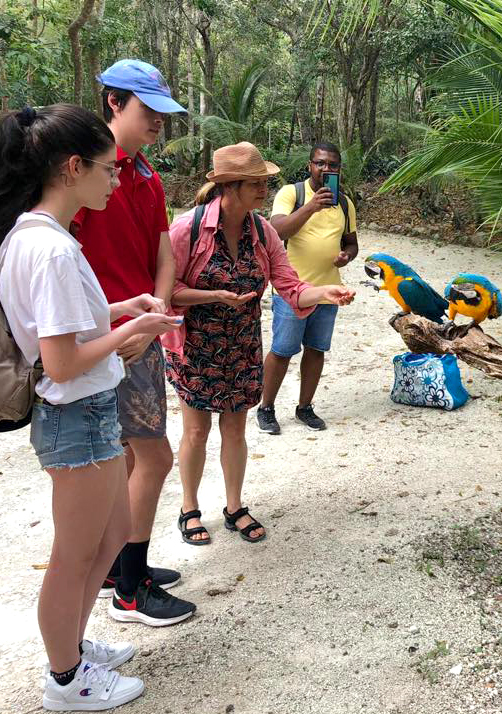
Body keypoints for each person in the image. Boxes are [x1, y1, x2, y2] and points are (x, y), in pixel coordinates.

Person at [0, 104, 182, 710]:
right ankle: (63, 679)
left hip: (91, 410)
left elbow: (69, 332)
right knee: (74, 557)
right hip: (74, 416)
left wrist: (122, 308)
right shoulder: (50, 249)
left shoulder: (42, 237)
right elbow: (59, 361)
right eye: (107, 169)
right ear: (72, 168)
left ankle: (73, 647)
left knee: (104, 544)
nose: (114, 180)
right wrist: (132, 336)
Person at [164, 142, 354, 545]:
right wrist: (213, 297)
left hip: (242, 345)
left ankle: (234, 507)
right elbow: (167, 292)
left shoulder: (261, 230)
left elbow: (289, 285)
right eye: (257, 182)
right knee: (196, 432)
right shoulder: (187, 228)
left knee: (235, 429)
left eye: (265, 181)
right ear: (230, 186)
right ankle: (189, 507)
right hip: (196, 345)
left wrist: (322, 294)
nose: (265, 188)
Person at [71, 59, 196, 626]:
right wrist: (115, 328)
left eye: (163, 116)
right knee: (154, 455)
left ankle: (117, 566)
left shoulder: (145, 175)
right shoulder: (84, 173)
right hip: (107, 337)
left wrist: (161, 309)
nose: (157, 125)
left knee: (127, 456)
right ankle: (131, 585)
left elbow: (163, 249)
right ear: (114, 103)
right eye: (149, 112)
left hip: (141, 327)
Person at [256, 142, 358, 434]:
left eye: (333, 165)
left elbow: (351, 243)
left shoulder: (345, 203)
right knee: (282, 350)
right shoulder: (293, 193)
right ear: (309, 165)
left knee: (316, 349)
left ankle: (305, 408)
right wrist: (312, 206)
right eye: (321, 163)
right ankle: (266, 408)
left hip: (329, 290)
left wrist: (345, 256)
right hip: (292, 290)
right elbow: (276, 231)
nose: (327, 169)